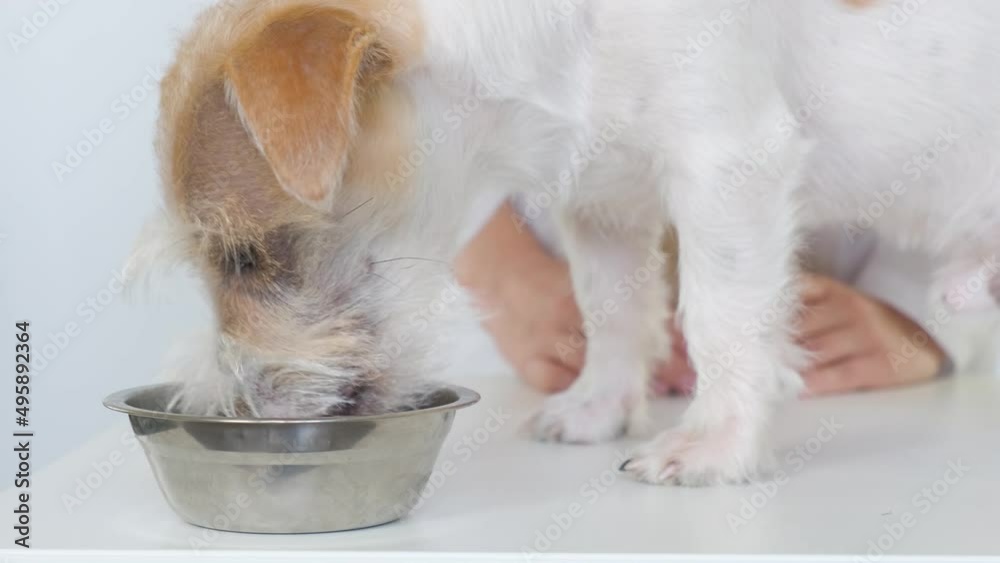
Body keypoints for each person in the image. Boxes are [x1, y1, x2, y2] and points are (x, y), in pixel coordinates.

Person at [455, 201, 1000, 396]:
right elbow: (398, 70)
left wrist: (917, 317)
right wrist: (502, 268)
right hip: (514, 361)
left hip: (848, 396)